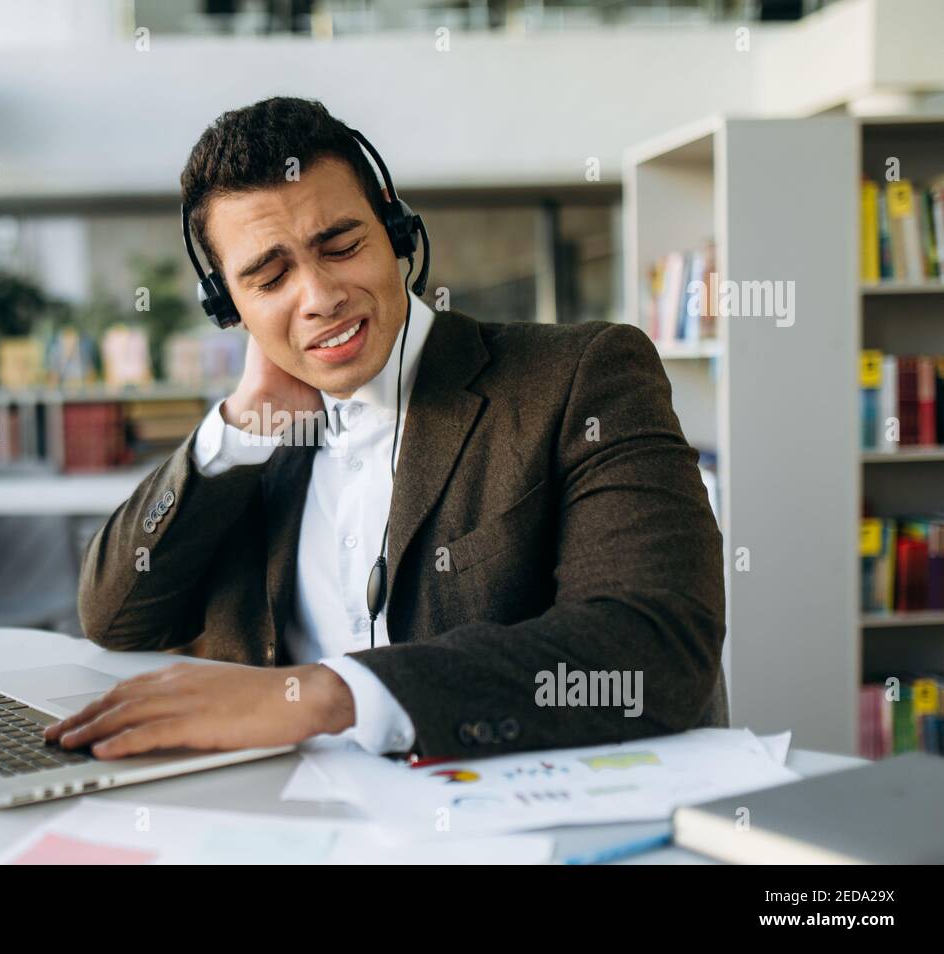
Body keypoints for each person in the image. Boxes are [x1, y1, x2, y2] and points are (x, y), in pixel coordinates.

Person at [44, 97, 726, 761]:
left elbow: (655, 647)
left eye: (340, 245)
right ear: (230, 308)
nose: (319, 296)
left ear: (395, 228)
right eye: (269, 276)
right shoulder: (259, 441)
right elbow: (115, 615)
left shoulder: (582, 375)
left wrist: (327, 695)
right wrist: (241, 428)